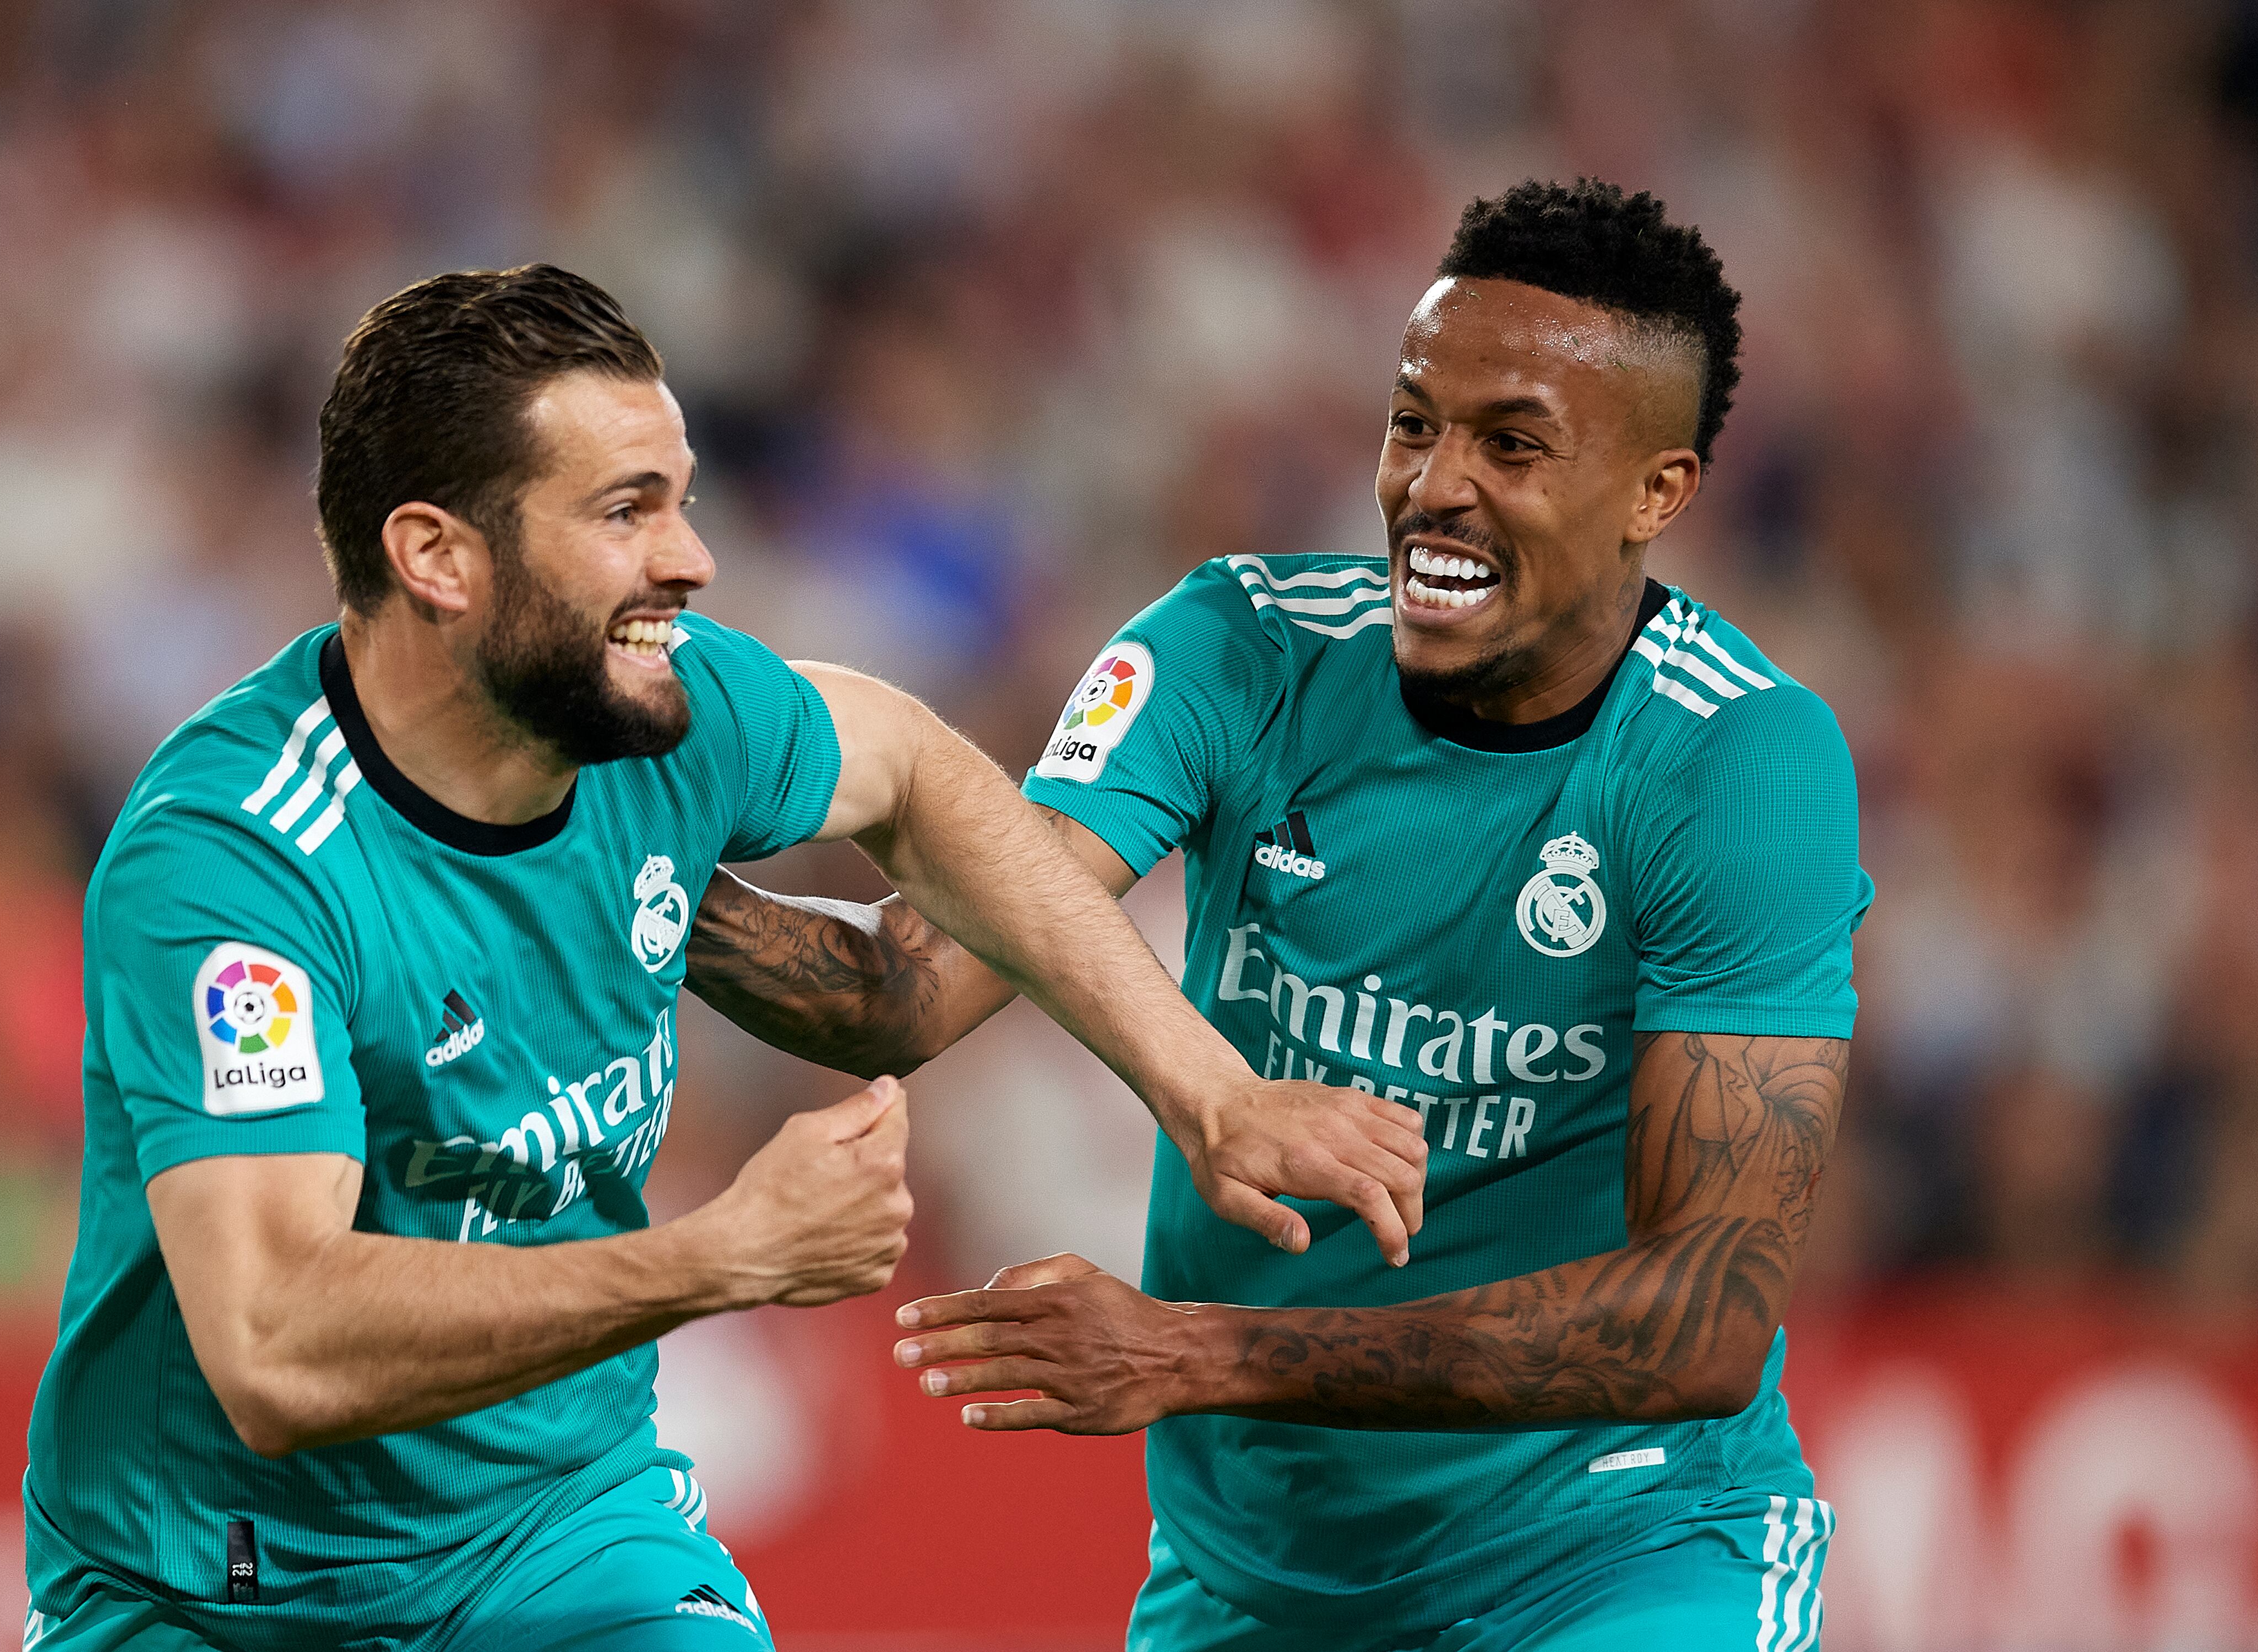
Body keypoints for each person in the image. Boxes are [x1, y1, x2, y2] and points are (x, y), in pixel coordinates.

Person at [20, 265, 1429, 1652]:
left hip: (553, 1530)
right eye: (627, 510)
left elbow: (922, 773)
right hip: (214, 1586)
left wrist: (1204, 1087)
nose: (691, 557)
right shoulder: (233, 866)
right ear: (436, 556)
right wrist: (721, 1257)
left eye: (681, 498)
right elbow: (275, 1344)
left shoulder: (664, 713)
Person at [688, 180, 1870, 1651]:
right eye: (1413, 421)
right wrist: (621, 866)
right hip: (1253, 1579)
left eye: (1511, 444)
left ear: (1655, 492)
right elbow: (903, 992)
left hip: (1615, 1558)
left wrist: (1192, 1351)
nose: (1435, 484)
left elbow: (1698, 1316)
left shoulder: (1731, 761)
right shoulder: (1234, 650)